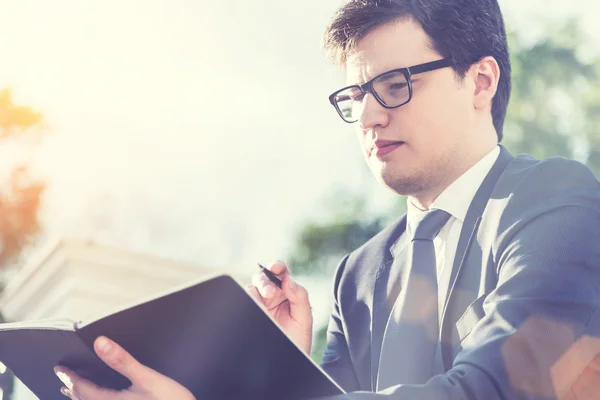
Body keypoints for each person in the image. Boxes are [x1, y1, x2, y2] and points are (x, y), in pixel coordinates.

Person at [55, 0, 600, 399]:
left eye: (395, 84)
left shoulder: (557, 203)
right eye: (356, 95)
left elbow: (493, 390)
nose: (368, 117)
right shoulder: (358, 276)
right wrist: (283, 369)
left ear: (480, 82)